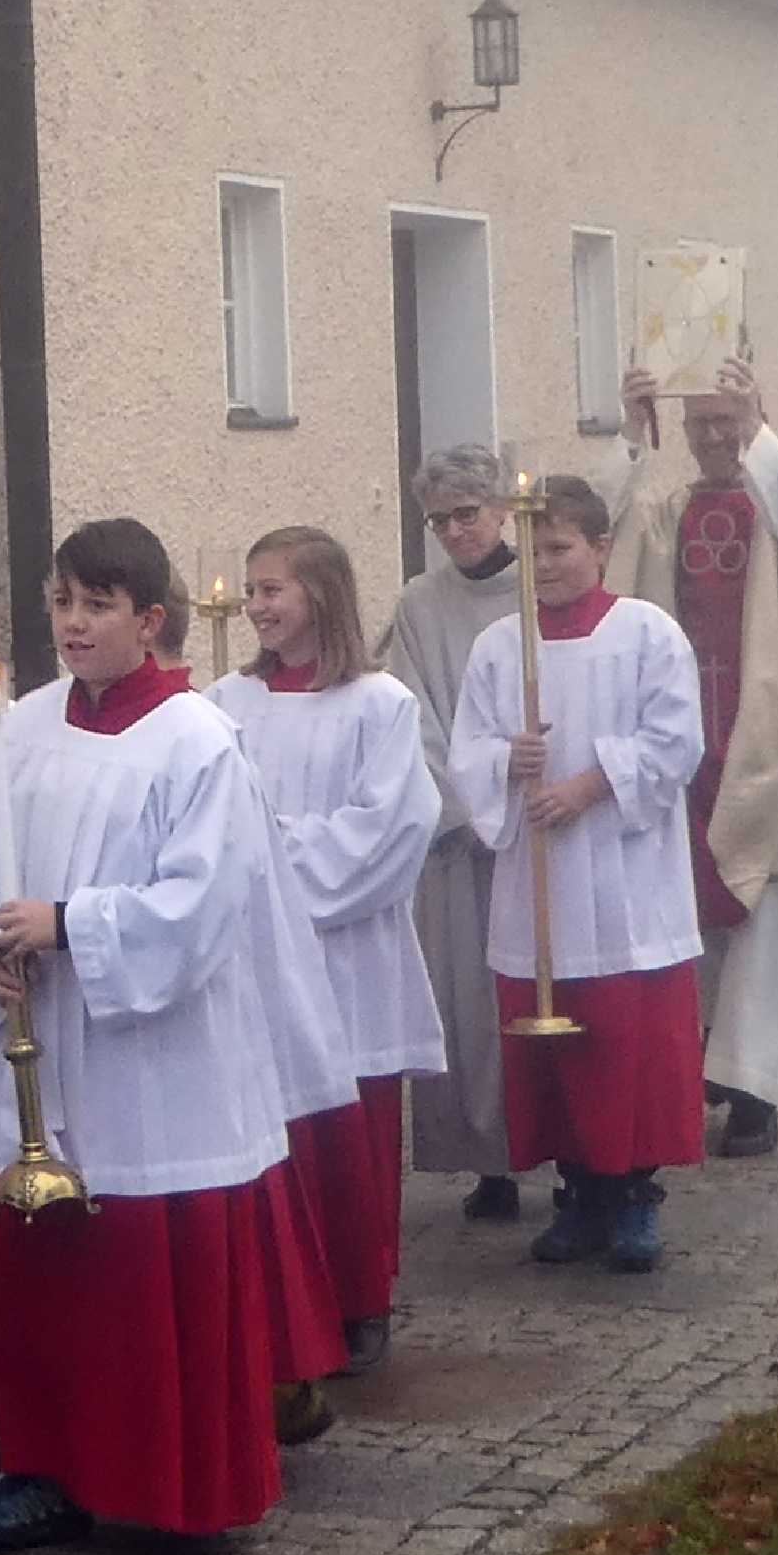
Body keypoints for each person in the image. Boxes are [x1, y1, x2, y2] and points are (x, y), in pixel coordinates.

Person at [0, 518, 354, 1554]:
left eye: (98, 605)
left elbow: (202, 903)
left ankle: (171, 1492)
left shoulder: (195, 741)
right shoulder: (22, 729)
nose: (73, 624)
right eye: (61, 602)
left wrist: (67, 924)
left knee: (146, 1281)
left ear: (150, 619)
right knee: (45, 1278)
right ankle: (40, 1470)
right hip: (47, 1042)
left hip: (158, 1062)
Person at [449, 473, 707, 1274]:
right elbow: (466, 750)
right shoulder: (501, 646)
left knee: (628, 1045)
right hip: (540, 886)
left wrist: (590, 786)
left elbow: (677, 740)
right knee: (555, 1050)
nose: (545, 565)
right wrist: (507, 760)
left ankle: (633, 1195)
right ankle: (579, 1193)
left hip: (625, 881)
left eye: (559, 548)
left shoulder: (648, 633)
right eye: (532, 551)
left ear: (600, 546)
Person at [607, 354, 778, 1156]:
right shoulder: (669, 513)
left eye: (728, 423)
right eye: (702, 425)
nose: (715, 438)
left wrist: (760, 430)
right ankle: (701, 1063)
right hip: (687, 749)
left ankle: (755, 1089)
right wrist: (630, 434)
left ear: (752, 422)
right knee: (683, 916)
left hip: (762, 746)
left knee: (763, 919)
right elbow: (606, 537)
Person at [210, 528, 443, 1374]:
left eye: (272, 589)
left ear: (323, 594)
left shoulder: (381, 705)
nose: (255, 606)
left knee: (349, 1138)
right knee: (271, 1136)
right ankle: (277, 1306)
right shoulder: (223, 704)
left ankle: (358, 1298)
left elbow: (392, 829)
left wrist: (273, 858)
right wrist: (257, 861)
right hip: (259, 960)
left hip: (348, 958)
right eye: (252, 589)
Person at [382, 446, 526, 1218]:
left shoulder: (539, 587)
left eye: (467, 515)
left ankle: (571, 1156)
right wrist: (466, 806)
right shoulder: (420, 603)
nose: (454, 532)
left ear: (502, 510)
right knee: (469, 1001)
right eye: (438, 521)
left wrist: (517, 797)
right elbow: (413, 714)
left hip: (538, 822)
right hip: (461, 836)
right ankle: (489, 1161)